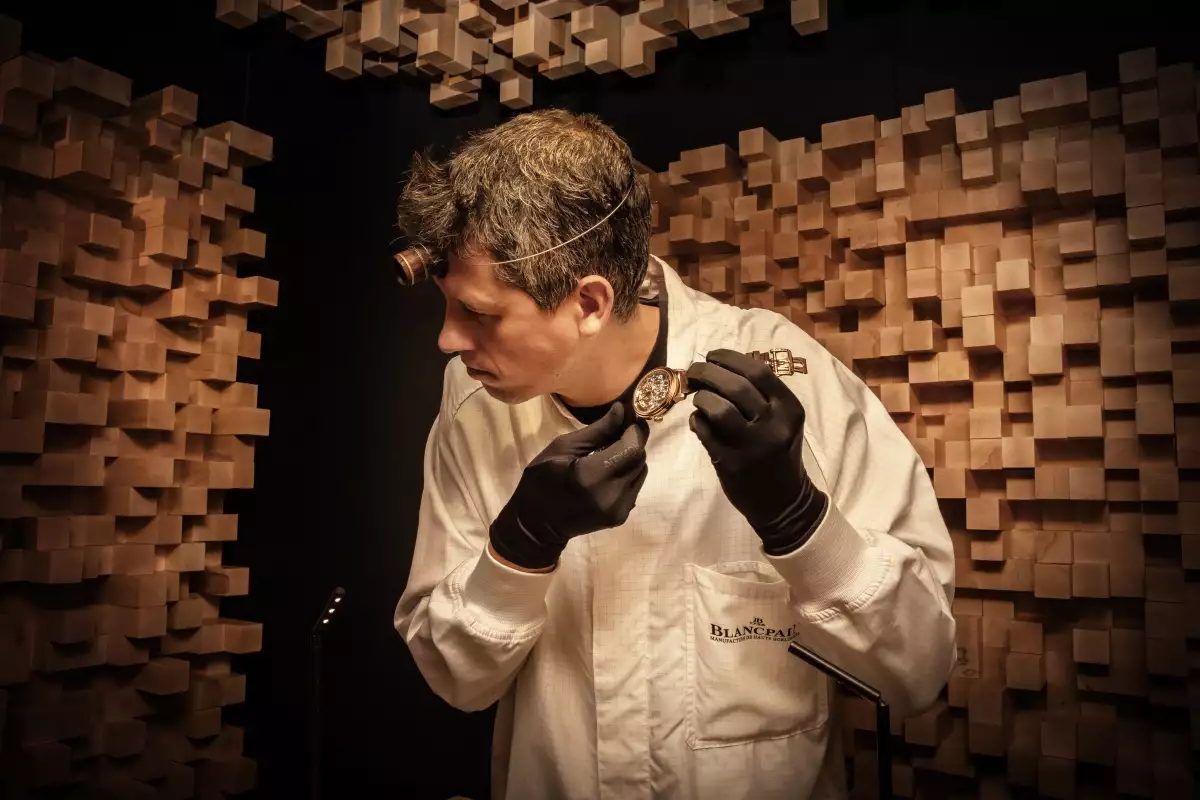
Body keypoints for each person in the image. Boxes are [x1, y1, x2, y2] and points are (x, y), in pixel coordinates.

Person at [393, 109, 956, 800]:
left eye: (479, 314)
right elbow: (456, 680)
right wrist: (519, 547)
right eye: (449, 307)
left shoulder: (790, 373)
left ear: (590, 302)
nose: (448, 341)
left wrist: (799, 520)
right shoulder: (471, 402)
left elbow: (919, 672)